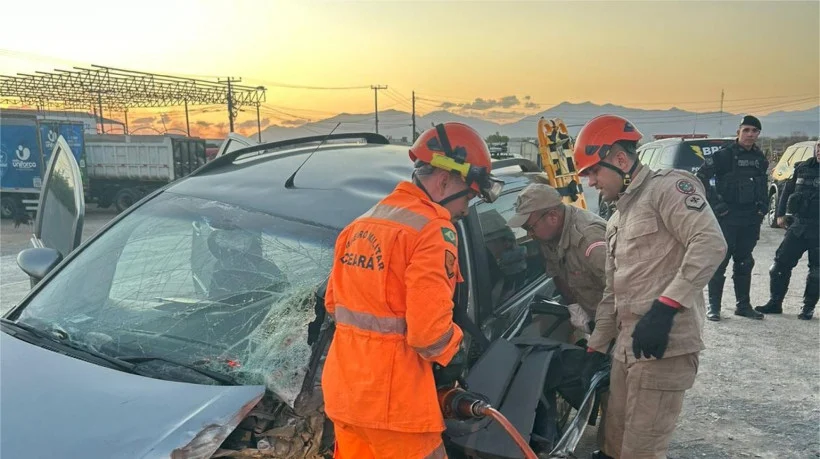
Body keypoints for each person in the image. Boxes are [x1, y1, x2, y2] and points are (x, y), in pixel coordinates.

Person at [321, 122, 502, 459]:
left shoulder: (360, 224)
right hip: (396, 408)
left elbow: (335, 306)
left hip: (345, 397)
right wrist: (455, 351)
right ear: (446, 179)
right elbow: (428, 335)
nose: (467, 208)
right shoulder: (433, 230)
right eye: (470, 195)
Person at [577, 114, 727, 459]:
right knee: (612, 443)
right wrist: (596, 348)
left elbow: (709, 244)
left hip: (665, 347)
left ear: (618, 159)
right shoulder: (617, 217)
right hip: (628, 347)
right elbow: (612, 293)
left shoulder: (668, 188)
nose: (591, 183)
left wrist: (665, 307)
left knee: (640, 451)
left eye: (593, 172)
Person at [506, 183, 607, 337]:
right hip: (596, 318)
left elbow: (624, 291)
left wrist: (607, 332)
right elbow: (557, 272)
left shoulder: (589, 239)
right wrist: (574, 306)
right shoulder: (549, 236)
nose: (530, 235)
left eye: (530, 227)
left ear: (553, 217)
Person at [696, 115, 769, 320]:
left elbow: (763, 184)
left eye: (754, 131)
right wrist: (717, 205)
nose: (750, 135)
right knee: (720, 262)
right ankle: (714, 308)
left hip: (750, 219)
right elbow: (701, 177)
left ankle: (743, 306)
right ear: (738, 132)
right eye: (746, 130)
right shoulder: (724, 156)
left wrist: (762, 208)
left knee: (745, 262)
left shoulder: (759, 158)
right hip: (727, 217)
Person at [756, 140, 820, 320]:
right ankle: (775, 303)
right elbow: (787, 190)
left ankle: (807, 308)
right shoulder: (803, 167)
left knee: (817, 272)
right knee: (779, 266)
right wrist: (781, 214)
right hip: (799, 226)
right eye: (819, 146)